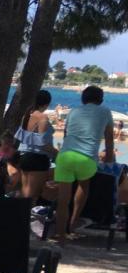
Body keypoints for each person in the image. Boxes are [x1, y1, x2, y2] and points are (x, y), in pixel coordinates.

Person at [53, 85, 115, 243]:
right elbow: (109, 138)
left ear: (83, 98)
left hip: (65, 156)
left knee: (62, 200)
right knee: (83, 188)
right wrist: (109, 159)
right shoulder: (105, 112)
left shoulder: (73, 111)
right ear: (100, 99)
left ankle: (60, 236)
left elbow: (66, 135)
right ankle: (73, 224)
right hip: (86, 158)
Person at [14, 89, 56, 204]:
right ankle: (26, 214)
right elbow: (41, 143)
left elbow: (22, 138)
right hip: (38, 158)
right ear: (47, 103)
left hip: (24, 156)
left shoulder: (27, 115)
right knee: (32, 195)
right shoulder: (42, 118)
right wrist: (56, 152)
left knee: (25, 191)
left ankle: (18, 212)